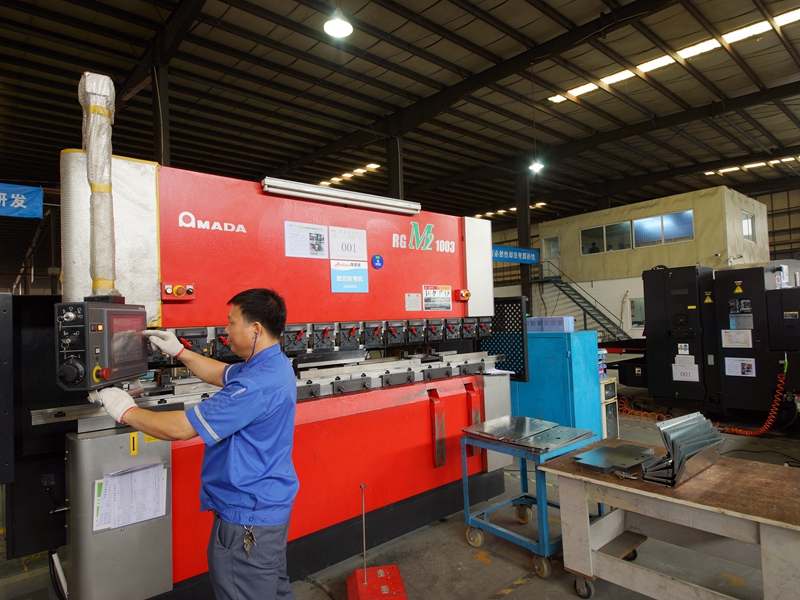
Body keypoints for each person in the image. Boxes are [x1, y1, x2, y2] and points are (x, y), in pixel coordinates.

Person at [96, 288, 298, 600]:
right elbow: (221, 373)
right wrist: (179, 351)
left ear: (255, 328)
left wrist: (126, 411)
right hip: (270, 506)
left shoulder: (254, 385)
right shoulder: (273, 363)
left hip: (247, 519)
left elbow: (181, 429)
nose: (226, 330)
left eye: (231, 323)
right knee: (274, 590)